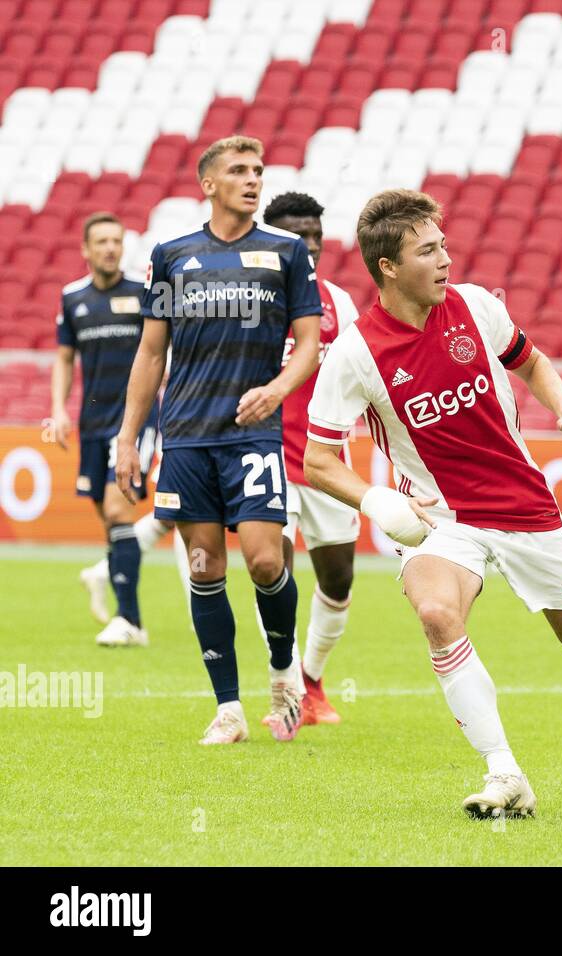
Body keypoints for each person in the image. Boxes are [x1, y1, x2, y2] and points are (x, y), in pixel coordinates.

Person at [303, 188, 562, 818]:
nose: (446, 259)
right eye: (428, 250)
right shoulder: (356, 353)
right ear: (388, 267)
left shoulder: (477, 306)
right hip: (439, 519)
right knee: (435, 613)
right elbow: (318, 459)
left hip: (524, 509)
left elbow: (532, 365)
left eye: (444, 244)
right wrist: (373, 499)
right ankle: (505, 775)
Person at [115, 135, 321, 745]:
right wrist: (129, 438)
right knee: (204, 566)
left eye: (258, 170)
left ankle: (284, 675)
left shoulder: (286, 253)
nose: (253, 179)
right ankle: (228, 708)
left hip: (252, 434)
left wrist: (278, 389)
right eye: (238, 170)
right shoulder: (173, 255)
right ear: (208, 184)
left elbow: (308, 343)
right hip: (184, 437)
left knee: (263, 559)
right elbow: (152, 352)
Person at [259, 190, 362, 725]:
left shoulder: (339, 303)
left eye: (318, 235)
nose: (313, 245)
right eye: (301, 235)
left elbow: (359, 381)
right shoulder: (249, 301)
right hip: (266, 456)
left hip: (325, 463)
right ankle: (288, 685)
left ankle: (314, 678)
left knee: (338, 579)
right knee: (272, 569)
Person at [52, 212, 158, 647]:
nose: (111, 248)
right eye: (102, 242)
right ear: (86, 249)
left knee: (119, 510)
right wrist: (58, 409)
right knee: (109, 520)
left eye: (117, 240)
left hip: (134, 421)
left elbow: (159, 350)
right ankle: (128, 615)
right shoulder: (72, 297)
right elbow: (64, 358)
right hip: (92, 423)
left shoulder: (143, 292)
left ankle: (128, 620)